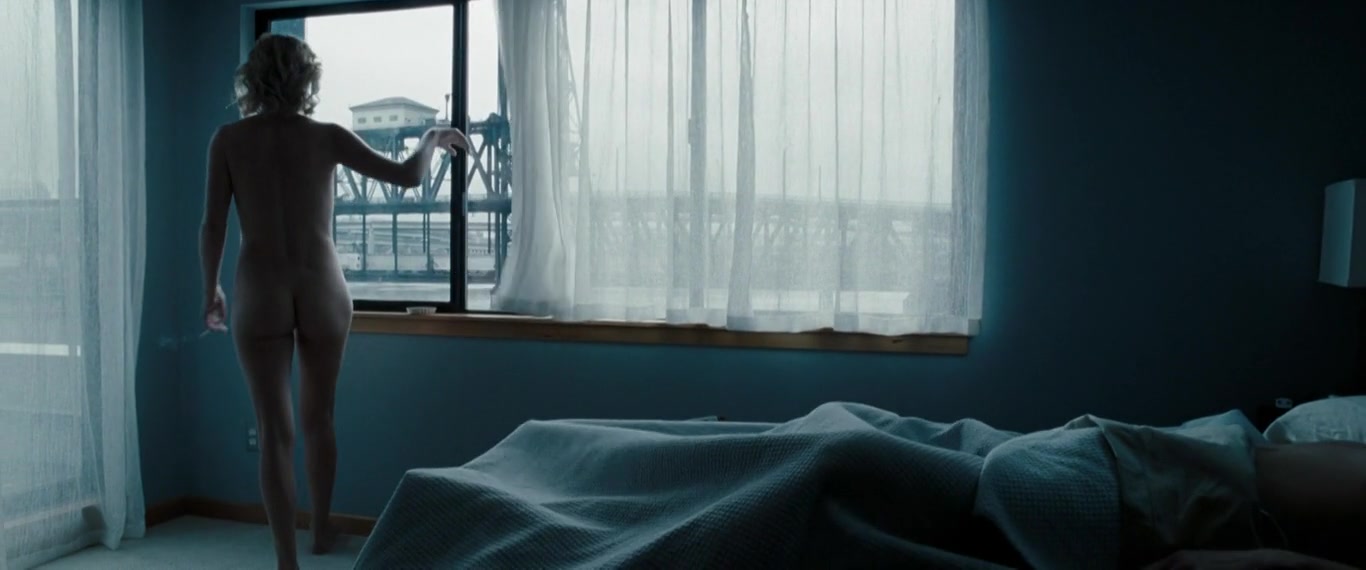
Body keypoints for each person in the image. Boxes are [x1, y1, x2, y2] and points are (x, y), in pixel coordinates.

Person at [199, 33, 468, 570]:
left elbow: (214, 224)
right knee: (319, 420)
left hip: (261, 290)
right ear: (308, 80)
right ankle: (320, 529)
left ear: (252, 80)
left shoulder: (227, 140)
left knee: (274, 433)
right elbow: (408, 176)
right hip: (321, 287)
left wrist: (211, 288)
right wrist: (432, 136)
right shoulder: (326, 137)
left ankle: (287, 561)